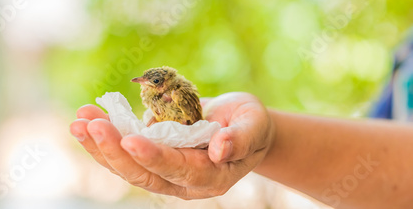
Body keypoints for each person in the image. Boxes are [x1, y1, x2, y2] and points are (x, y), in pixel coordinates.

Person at [69, 33, 413, 208]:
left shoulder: (175, 94)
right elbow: (389, 161)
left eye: (152, 83)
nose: (145, 85)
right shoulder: (405, 56)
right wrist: (267, 140)